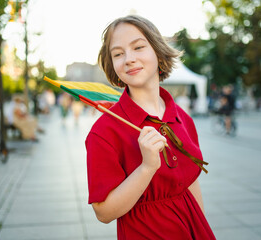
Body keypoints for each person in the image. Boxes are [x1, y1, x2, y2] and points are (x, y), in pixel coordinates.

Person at [86, 15, 215, 239]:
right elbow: (103, 212)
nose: (129, 59)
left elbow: (191, 184)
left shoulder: (183, 118)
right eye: (118, 54)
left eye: (138, 47)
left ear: (157, 50)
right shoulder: (104, 131)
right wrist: (146, 168)